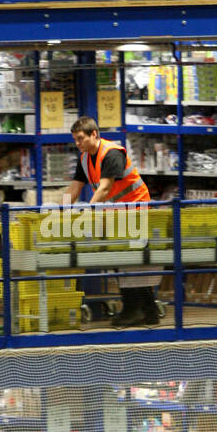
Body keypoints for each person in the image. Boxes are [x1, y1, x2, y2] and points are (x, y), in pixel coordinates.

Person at [64, 116, 159, 328]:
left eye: (80, 138)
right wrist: (59, 210)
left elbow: (105, 188)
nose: (77, 144)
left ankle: (134, 310)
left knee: (130, 262)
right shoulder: (84, 159)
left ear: (94, 134)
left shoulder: (112, 153)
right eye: (75, 140)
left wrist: (87, 211)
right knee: (128, 263)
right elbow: (75, 187)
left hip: (137, 212)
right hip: (118, 215)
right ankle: (148, 310)